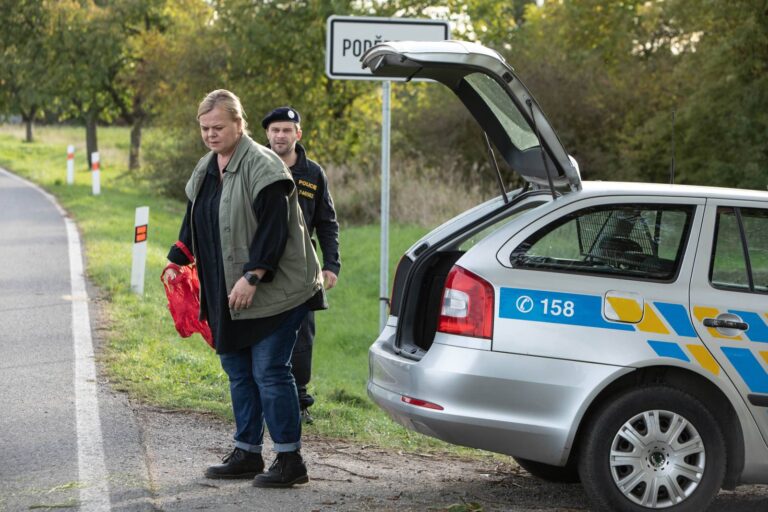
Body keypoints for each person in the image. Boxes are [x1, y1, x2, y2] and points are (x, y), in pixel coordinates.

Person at [162, 90, 325, 488]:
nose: (211, 135)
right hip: (225, 291)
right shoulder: (206, 167)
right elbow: (196, 215)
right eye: (204, 128)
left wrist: (253, 276)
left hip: (277, 288)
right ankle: (247, 453)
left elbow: (275, 230)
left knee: (269, 371)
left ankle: (290, 461)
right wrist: (178, 258)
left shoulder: (263, 165)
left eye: (218, 127)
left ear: (239, 124)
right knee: (238, 371)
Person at [261, 106, 340, 425]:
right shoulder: (255, 166)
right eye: (275, 130)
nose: (281, 135)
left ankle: (299, 399)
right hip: (261, 267)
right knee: (261, 332)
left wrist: (331, 264)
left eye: (286, 130)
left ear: (298, 134)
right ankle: (263, 397)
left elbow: (327, 222)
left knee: (302, 336)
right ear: (266, 134)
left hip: (304, 270)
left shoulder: (313, 173)